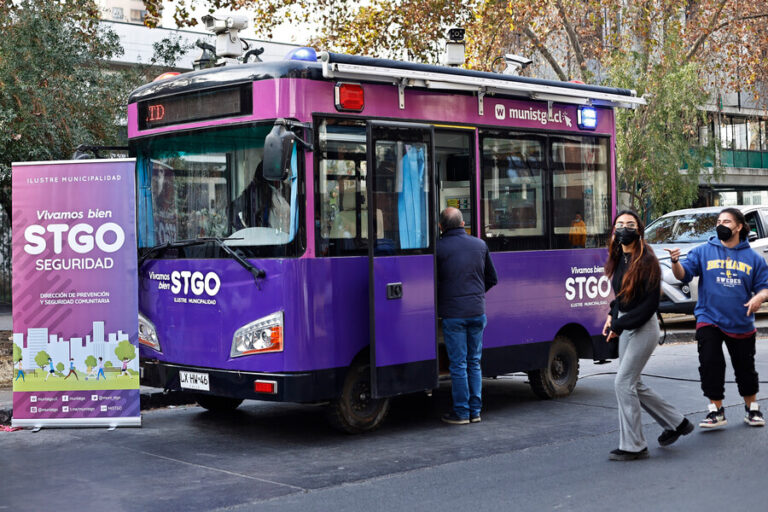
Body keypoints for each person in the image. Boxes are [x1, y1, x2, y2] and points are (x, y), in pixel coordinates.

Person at [666, 207, 768, 428]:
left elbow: (764, 287)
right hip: (708, 317)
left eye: (727, 221)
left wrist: (758, 298)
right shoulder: (703, 251)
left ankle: (752, 408)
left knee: (745, 368)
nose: (721, 225)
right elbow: (684, 275)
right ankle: (716, 410)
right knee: (710, 362)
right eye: (719, 221)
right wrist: (675, 263)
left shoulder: (753, 258)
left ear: (739, 227)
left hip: (740, 321)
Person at [603, 210, 693, 461]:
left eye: (630, 224)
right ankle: (677, 423)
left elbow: (649, 305)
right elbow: (621, 296)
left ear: (639, 230)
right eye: (620, 224)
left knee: (623, 383)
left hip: (644, 326)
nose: (624, 228)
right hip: (627, 324)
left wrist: (619, 324)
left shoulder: (647, 260)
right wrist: (612, 315)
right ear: (614, 230)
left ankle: (634, 446)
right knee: (633, 382)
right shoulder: (619, 256)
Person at [437, 207, 498, 425]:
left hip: (453, 314)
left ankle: (462, 412)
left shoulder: (438, 248)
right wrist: (476, 296)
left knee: (458, 364)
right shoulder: (480, 245)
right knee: (474, 362)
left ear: (441, 227)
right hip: (477, 312)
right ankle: (475, 411)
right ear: (463, 224)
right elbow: (492, 278)